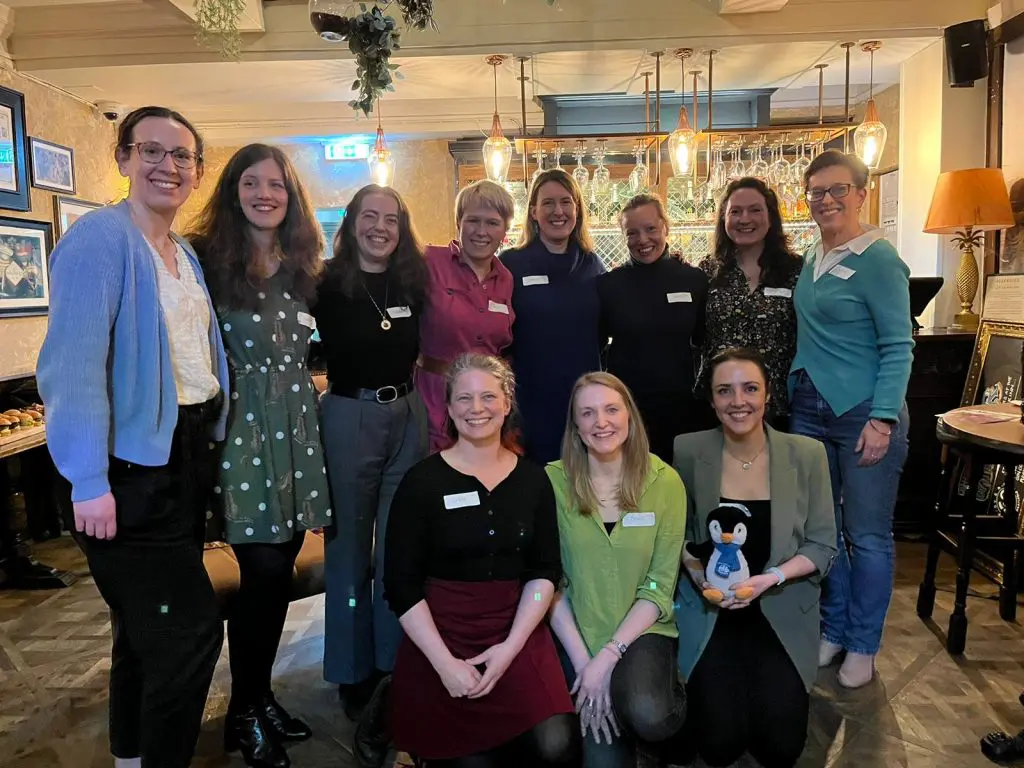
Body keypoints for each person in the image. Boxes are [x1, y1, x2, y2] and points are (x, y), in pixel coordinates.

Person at [37, 106, 229, 768]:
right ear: (123, 159)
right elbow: (73, 369)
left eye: (181, 157)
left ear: (198, 173)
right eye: (152, 150)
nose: (167, 166)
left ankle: (130, 757)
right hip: (129, 470)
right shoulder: (99, 241)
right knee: (189, 631)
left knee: (141, 634)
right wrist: (87, 480)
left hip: (183, 458)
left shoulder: (182, 252)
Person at [188, 143, 332, 768]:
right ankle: (244, 709)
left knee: (281, 563)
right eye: (252, 182)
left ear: (290, 195)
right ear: (233, 190)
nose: (265, 193)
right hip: (241, 430)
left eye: (275, 183)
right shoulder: (206, 263)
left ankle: (260, 696)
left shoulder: (306, 269)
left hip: (297, 428)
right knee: (263, 573)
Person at [377, 353, 577, 767]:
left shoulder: (533, 479)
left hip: (517, 632)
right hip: (441, 638)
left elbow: (544, 574)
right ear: (448, 409)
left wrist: (510, 648)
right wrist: (445, 665)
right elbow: (400, 585)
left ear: (507, 404)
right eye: (464, 399)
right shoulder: (421, 483)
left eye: (488, 396)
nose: (476, 408)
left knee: (557, 747)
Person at [671, 348, 836, 768]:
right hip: (713, 612)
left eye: (749, 388)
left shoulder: (806, 454)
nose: (737, 401)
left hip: (779, 606)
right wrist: (702, 583)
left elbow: (821, 546)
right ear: (711, 399)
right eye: (724, 390)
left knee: (781, 747)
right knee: (719, 744)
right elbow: (682, 542)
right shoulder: (689, 451)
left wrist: (770, 579)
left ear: (768, 395)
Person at [789, 150, 913, 689]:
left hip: (864, 414)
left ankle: (863, 643)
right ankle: (833, 629)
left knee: (867, 536)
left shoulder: (880, 259)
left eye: (837, 189)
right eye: (816, 192)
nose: (826, 200)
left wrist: (883, 419)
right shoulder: (813, 257)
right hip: (810, 410)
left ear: (863, 193)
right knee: (825, 532)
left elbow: (899, 345)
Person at [314, 184, 429, 719]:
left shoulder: (413, 280)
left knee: (398, 549)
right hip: (348, 415)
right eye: (370, 216)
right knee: (349, 551)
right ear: (351, 222)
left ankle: (391, 660)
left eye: (391, 218)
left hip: (407, 414)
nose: (380, 227)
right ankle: (350, 668)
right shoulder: (325, 283)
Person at [546, 372, 687, 768]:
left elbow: (659, 586)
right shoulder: (551, 482)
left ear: (630, 416)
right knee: (557, 744)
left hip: (641, 628)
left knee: (649, 713)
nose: (600, 422)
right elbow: (549, 582)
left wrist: (608, 657)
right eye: (587, 413)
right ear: (575, 426)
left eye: (611, 409)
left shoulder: (666, 483)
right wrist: (586, 667)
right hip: (573, 629)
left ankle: (653, 700)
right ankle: (620, 707)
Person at [502, 169, 604, 465]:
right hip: (529, 400)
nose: (557, 211)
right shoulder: (511, 263)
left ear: (577, 209)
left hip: (583, 399)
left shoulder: (592, 264)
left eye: (565, 202)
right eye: (548, 203)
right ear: (533, 211)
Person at [598, 193, 709, 462]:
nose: (643, 240)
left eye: (650, 229)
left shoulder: (694, 280)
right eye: (632, 233)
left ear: (665, 227)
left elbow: (703, 341)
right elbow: (598, 347)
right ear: (623, 236)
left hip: (682, 407)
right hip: (628, 409)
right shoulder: (609, 285)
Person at [418, 180, 516, 452]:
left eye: (493, 223)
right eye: (473, 220)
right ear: (459, 222)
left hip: (485, 404)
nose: (482, 231)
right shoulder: (429, 262)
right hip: (434, 400)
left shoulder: (506, 279)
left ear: (505, 230)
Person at [698, 177, 802, 429]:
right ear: (724, 219)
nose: (745, 219)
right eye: (736, 211)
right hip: (720, 404)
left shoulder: (796, 270)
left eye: (755, 210)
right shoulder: (707, 271)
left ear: (771, 216)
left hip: (779, 405)